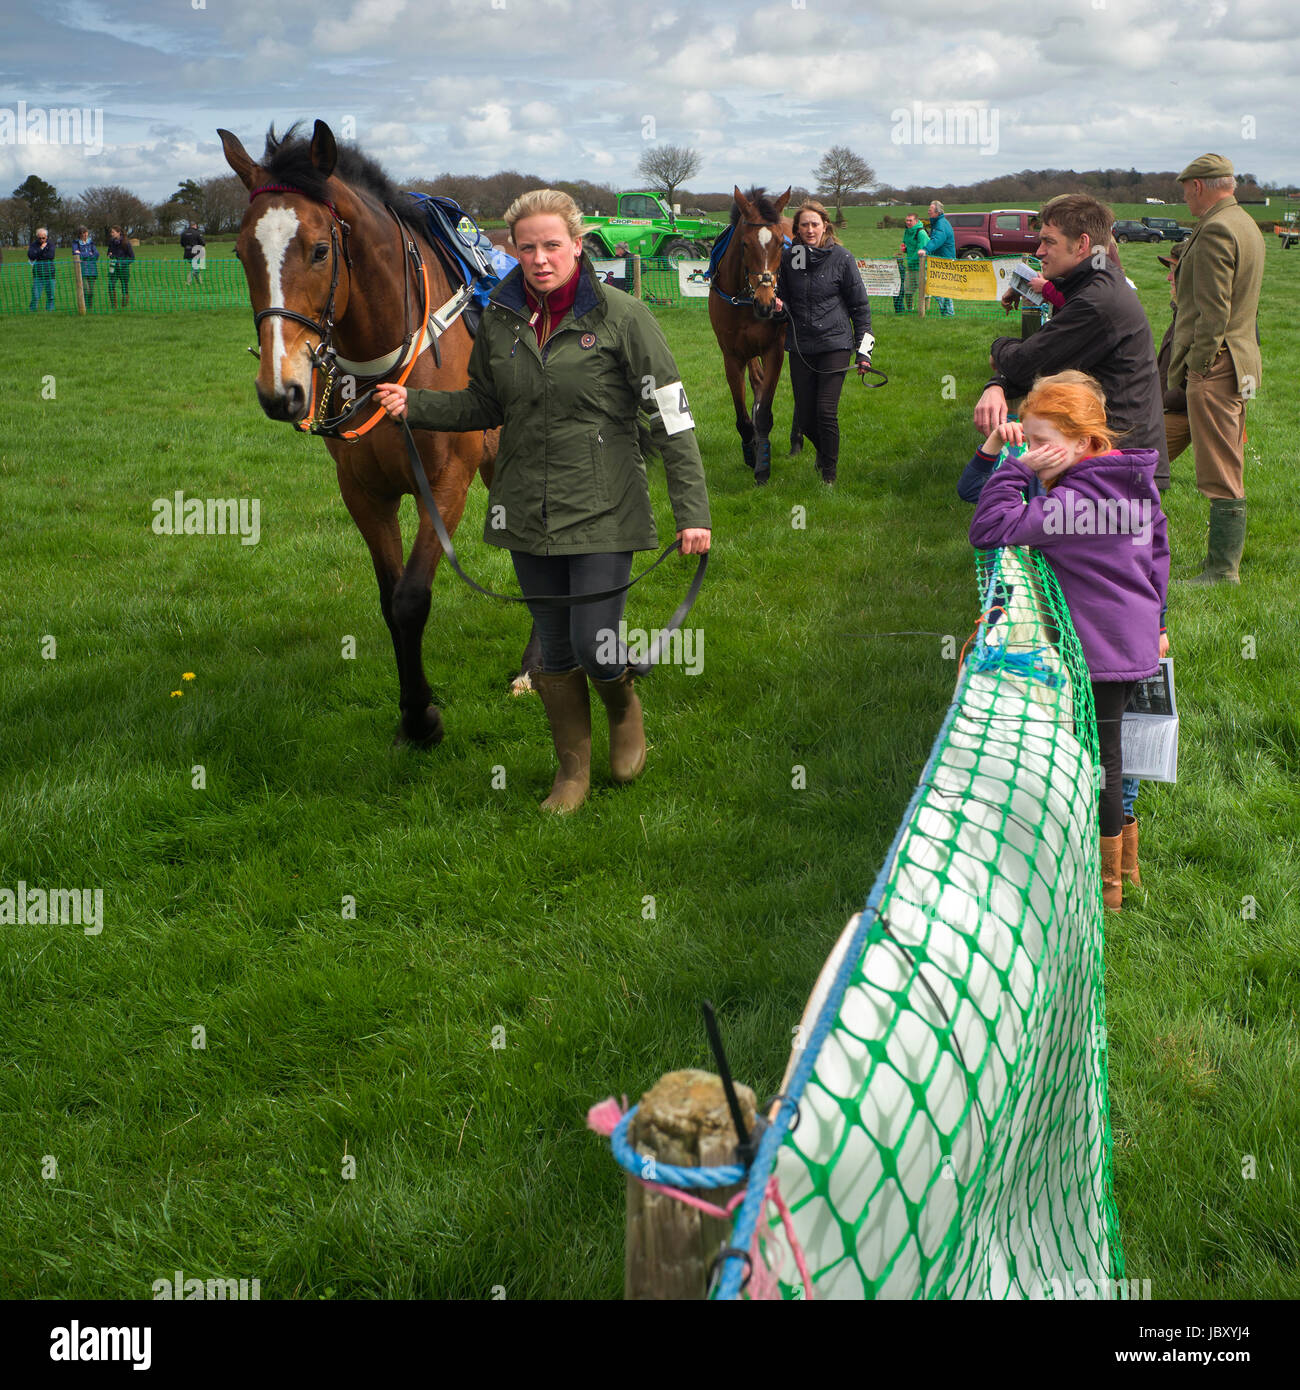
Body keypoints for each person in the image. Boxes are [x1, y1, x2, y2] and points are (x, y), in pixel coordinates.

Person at [373, 188, 711, 814]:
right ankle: (572, 773)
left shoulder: (623, 316)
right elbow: (484, 404)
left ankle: (623, 708)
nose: (539, 258)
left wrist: (692, 512)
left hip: (606, 507)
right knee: (555, 650)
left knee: (595, 645)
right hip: (527, 510)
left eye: (552, 245)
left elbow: (671, 416)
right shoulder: (500, 317)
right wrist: (414, 403)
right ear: (513, 250)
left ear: (577, 245)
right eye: (526, 247)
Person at [969, 377, 1168, 910]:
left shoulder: (1069, 504)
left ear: (1083, 442)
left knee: (1102, 763)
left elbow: (988, 528)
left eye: (1042, 442)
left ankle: (1107, 889)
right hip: (1135, 642)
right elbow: (1159, 549)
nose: (1033, 451)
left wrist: (1015, 469)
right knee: (1114, 757)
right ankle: (1124, 868)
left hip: (1099, 653)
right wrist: (1160, 621)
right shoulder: (1129, 482)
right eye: (1029, 442)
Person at [973, 194, 1167, 486]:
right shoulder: (1093, 284)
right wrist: (998, 382)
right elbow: (1045, 359)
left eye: (1048, 242)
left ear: (1081, 244)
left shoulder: (1095, 301)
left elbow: (1025, 363)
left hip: (1117, 464)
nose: (1039, 251)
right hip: (1110, 456)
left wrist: (997, 348)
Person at [1167, 153, 1265, 586]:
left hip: (1218, 363)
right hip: (1240, 359)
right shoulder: (1244, 222)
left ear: (1198, 186)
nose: (1185, 199)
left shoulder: (1216, 228)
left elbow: (1213, 311)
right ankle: (1219, 566)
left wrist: (1200, 365)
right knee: (1223, 457)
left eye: (1186, 190)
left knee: (1220, 467)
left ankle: (1223, 571)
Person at [772, 199, 874, 485]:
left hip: (835, 345)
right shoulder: (791, 259)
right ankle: (824, 452)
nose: (809, 229)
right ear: (796, 229)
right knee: (805, 419)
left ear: (825, 226)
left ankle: (829, 475)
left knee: (826, 412)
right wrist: (779, 308)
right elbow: (785, 302)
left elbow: (861, 308)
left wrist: (864, 353)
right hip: (801, 346)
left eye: (814, 224)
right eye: (804, 225)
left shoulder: (842, 258)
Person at [924, 200, 956, 317]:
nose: (928, 212)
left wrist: (926, 249)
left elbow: (938, 240)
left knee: (940, 288)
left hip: (945, 261)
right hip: (941, 260)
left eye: (930, 210)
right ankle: (946, 313)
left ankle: (948, 313)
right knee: (940, 288)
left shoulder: (940, 224)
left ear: (937, 212)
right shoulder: (938, 222)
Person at [894, 213, 928, 314]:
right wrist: (904, 249)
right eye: (907, 220)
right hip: (911, 266)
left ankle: (925, 311)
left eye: (910, 220)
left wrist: (910, 260)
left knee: (924, 292)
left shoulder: (921, 233)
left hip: (922, 266)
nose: (908, 222)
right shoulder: (907, 231)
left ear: (916, 221)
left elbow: (921, 250)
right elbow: (906, 244)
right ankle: (910, 310)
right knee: (907, 290)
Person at [28, 227, 56, 311]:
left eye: (43, 238)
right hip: (38, 273)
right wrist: (41, 249)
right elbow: (31, 256)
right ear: (37, 237)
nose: (41, 240)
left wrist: (38, 254)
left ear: (46, 237)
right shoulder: (33, 245)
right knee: (35, 295)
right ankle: (32, 310)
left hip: (50, 273)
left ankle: (50, 310)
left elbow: (51, 256)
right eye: (39, 238)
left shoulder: (51, 244)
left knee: (51, 296)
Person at [106, 225, 134, 308]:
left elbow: (132, 257)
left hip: (123, 269)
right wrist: (109, 254)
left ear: (118, 233)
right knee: (111, 285)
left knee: (124, 287)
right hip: (113, 268)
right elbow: (108, 252)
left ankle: (124, 306)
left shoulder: (126, 243)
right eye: (111, 232)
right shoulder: (111, 242)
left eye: (113, 232)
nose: (111, 234)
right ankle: (113, 305)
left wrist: (122, 263)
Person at [72, 226, 99, 310]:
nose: (85, 234)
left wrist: (83, 255)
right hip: (82, 270)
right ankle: (85, 306)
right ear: (79, 234)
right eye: (83, 233)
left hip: (92, 269)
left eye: (86, 232)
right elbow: (76, 254)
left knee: (91, 291)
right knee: (86, 290)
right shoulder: (76, 243)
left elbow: (97, 255)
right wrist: (89, 254)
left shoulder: (91, 243)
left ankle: (89, 307)